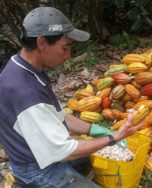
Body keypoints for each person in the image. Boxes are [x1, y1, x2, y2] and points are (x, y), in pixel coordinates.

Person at [0, 7, 143, 188]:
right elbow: (64, 151)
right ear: (42, 42)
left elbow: (62, 117)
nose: (68, 56)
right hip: (37, 170)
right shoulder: (25, 92)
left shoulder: (24, 66)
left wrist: (98, 130)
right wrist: (112, 139)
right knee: (90, 155)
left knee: (91, 156)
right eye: (65, 48)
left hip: (43, 153)